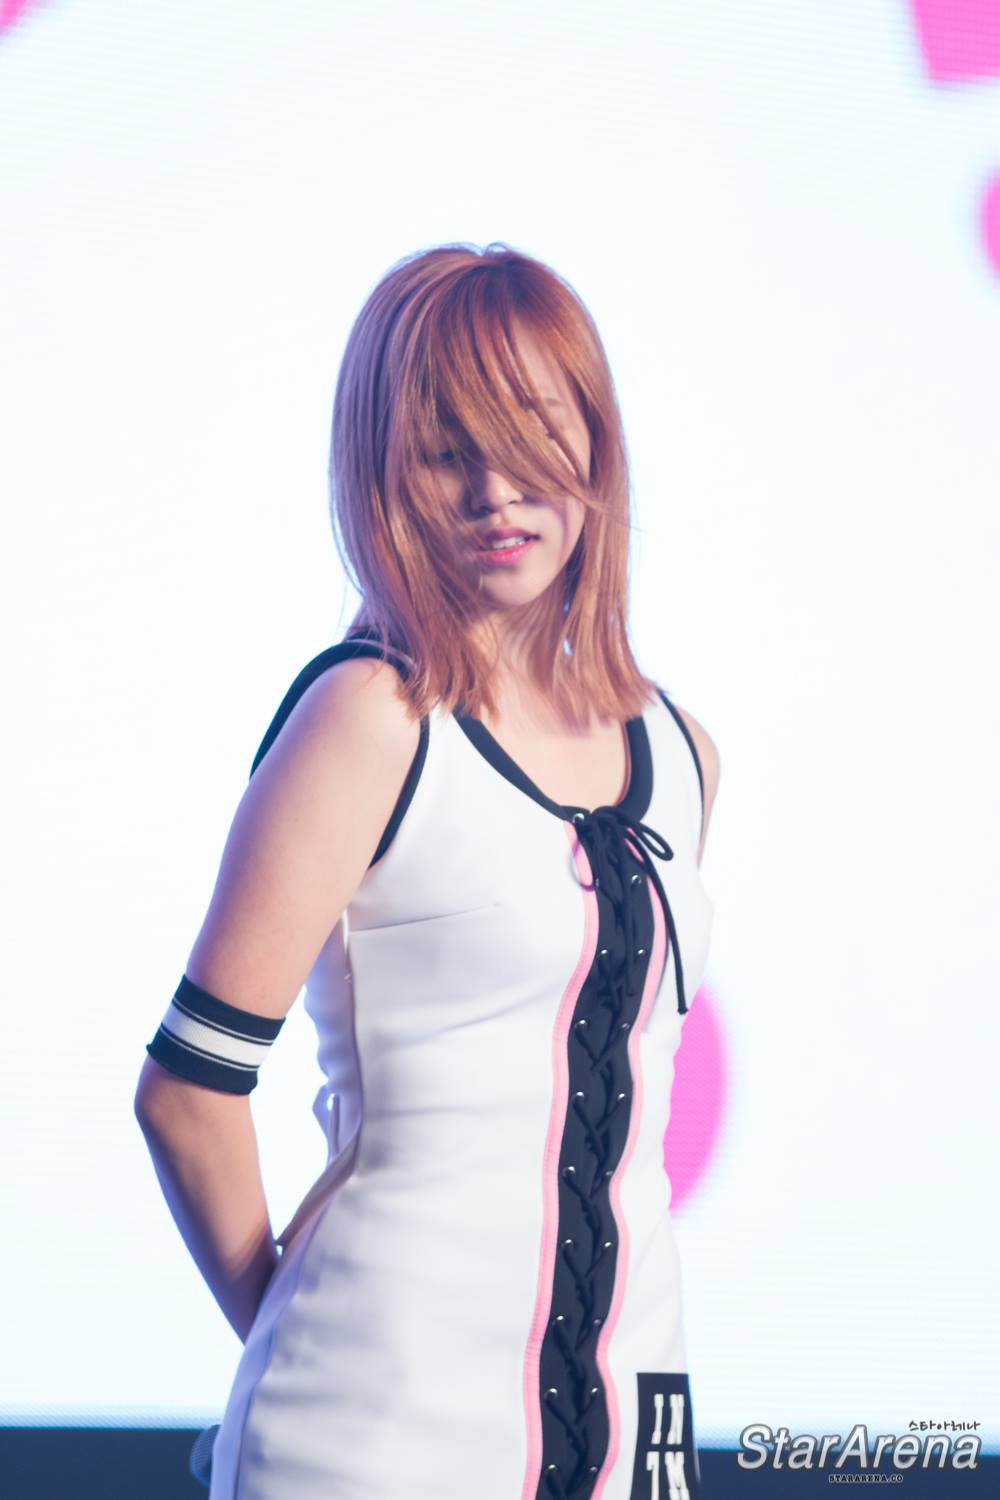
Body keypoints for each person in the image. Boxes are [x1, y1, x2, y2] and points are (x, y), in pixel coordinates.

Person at [134, 241, 719, 1500]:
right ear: (383, 473)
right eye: (448, 450)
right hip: (369, 1435)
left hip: (633, 1424)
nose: (497, 490)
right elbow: (186, 1089)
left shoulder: (679, 752)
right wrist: (292, 1332)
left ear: (595, 441)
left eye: (532, 433)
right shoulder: (368, 720)